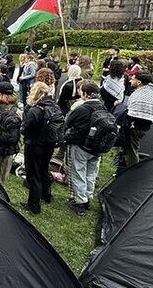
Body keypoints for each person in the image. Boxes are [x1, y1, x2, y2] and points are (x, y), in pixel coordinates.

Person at [64, 80, 108, 216]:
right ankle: (88, 197)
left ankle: (80, 202)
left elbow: (68, 121)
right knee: (91, 174)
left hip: (81, 145)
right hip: (98, 146)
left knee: (78, 173)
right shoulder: (103, 107)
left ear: (86, 94)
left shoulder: (83, 108)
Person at [21, 81, 63, 214]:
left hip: (35, 144)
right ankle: (46, 195)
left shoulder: (36, 110)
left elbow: (25, 129)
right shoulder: (55, 107)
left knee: (34, 175)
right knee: (44, 170)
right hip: (49, 145)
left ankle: (34, 205)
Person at [122, 72, 153, 168]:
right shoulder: (151, 94)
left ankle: (132, 170)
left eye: (133, 79)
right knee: (131, 147)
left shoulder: (139, 95)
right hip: (144, 126)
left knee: (132, 150)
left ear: (139, 82)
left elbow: (132, 112)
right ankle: (125, 164)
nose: (131, 80)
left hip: (136, 126)